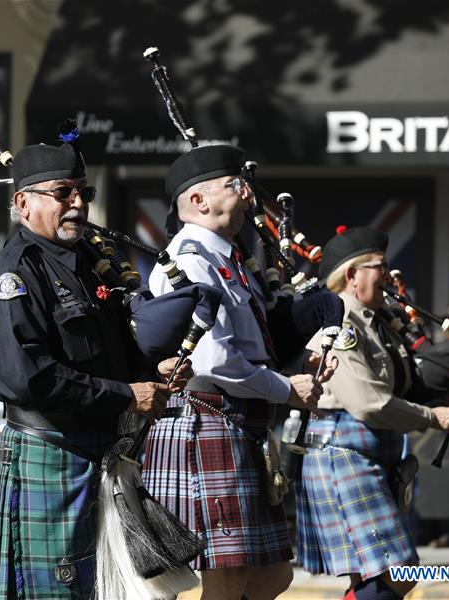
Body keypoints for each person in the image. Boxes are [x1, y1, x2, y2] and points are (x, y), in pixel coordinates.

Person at [0, 139, 190, 599]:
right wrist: (125, 396)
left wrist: (154, 369)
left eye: (83, 192)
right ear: (23, 203)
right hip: (50, 451)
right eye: (63, 193)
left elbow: (113, 354)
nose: (77, 202)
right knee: (58, 591)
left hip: (100, 453)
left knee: (109, 590)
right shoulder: (14, 274)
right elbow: (27, 377)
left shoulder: (91, 267)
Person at [141, 145, 335, 600]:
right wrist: (286, 389)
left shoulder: (230, 259)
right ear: (199, 202)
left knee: (272, 577)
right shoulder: (191, 260)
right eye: (234, 184)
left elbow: (250, 344)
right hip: (208, 419)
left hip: (239, 421)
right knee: (227, 579)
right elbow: (214, 360)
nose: (248, 192)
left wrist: (294, 359)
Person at [295, 226, 449, 600]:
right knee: (393, 573)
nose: (387, 276)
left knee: (379, 577)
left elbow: (404, 383)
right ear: (352, 275)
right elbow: (369, 402)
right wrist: (434, 418)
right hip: (344, 455)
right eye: (379, 267)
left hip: (369, 454)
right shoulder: (343, 324)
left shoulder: (376, 321)